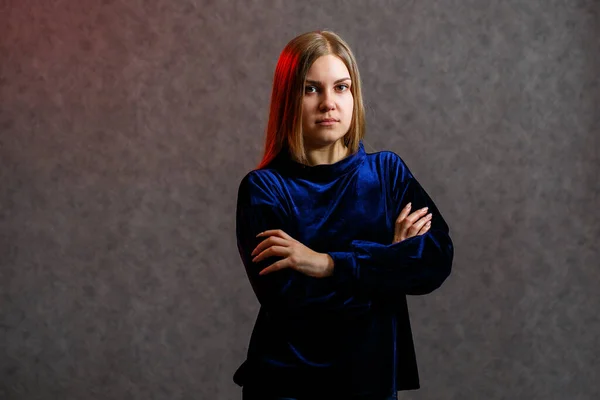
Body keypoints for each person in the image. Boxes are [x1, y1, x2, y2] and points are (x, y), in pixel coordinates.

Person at [234, 30, 454, 400]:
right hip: (287, 387)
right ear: (288, 99)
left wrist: (326, 264)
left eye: (341, 87)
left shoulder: (387, 174)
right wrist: (389, 263)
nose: (328, 103)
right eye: (310, 89)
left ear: (355, 95)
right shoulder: (264, 189)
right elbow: (295, 305)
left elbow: (436, 262)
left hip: (372, 383)